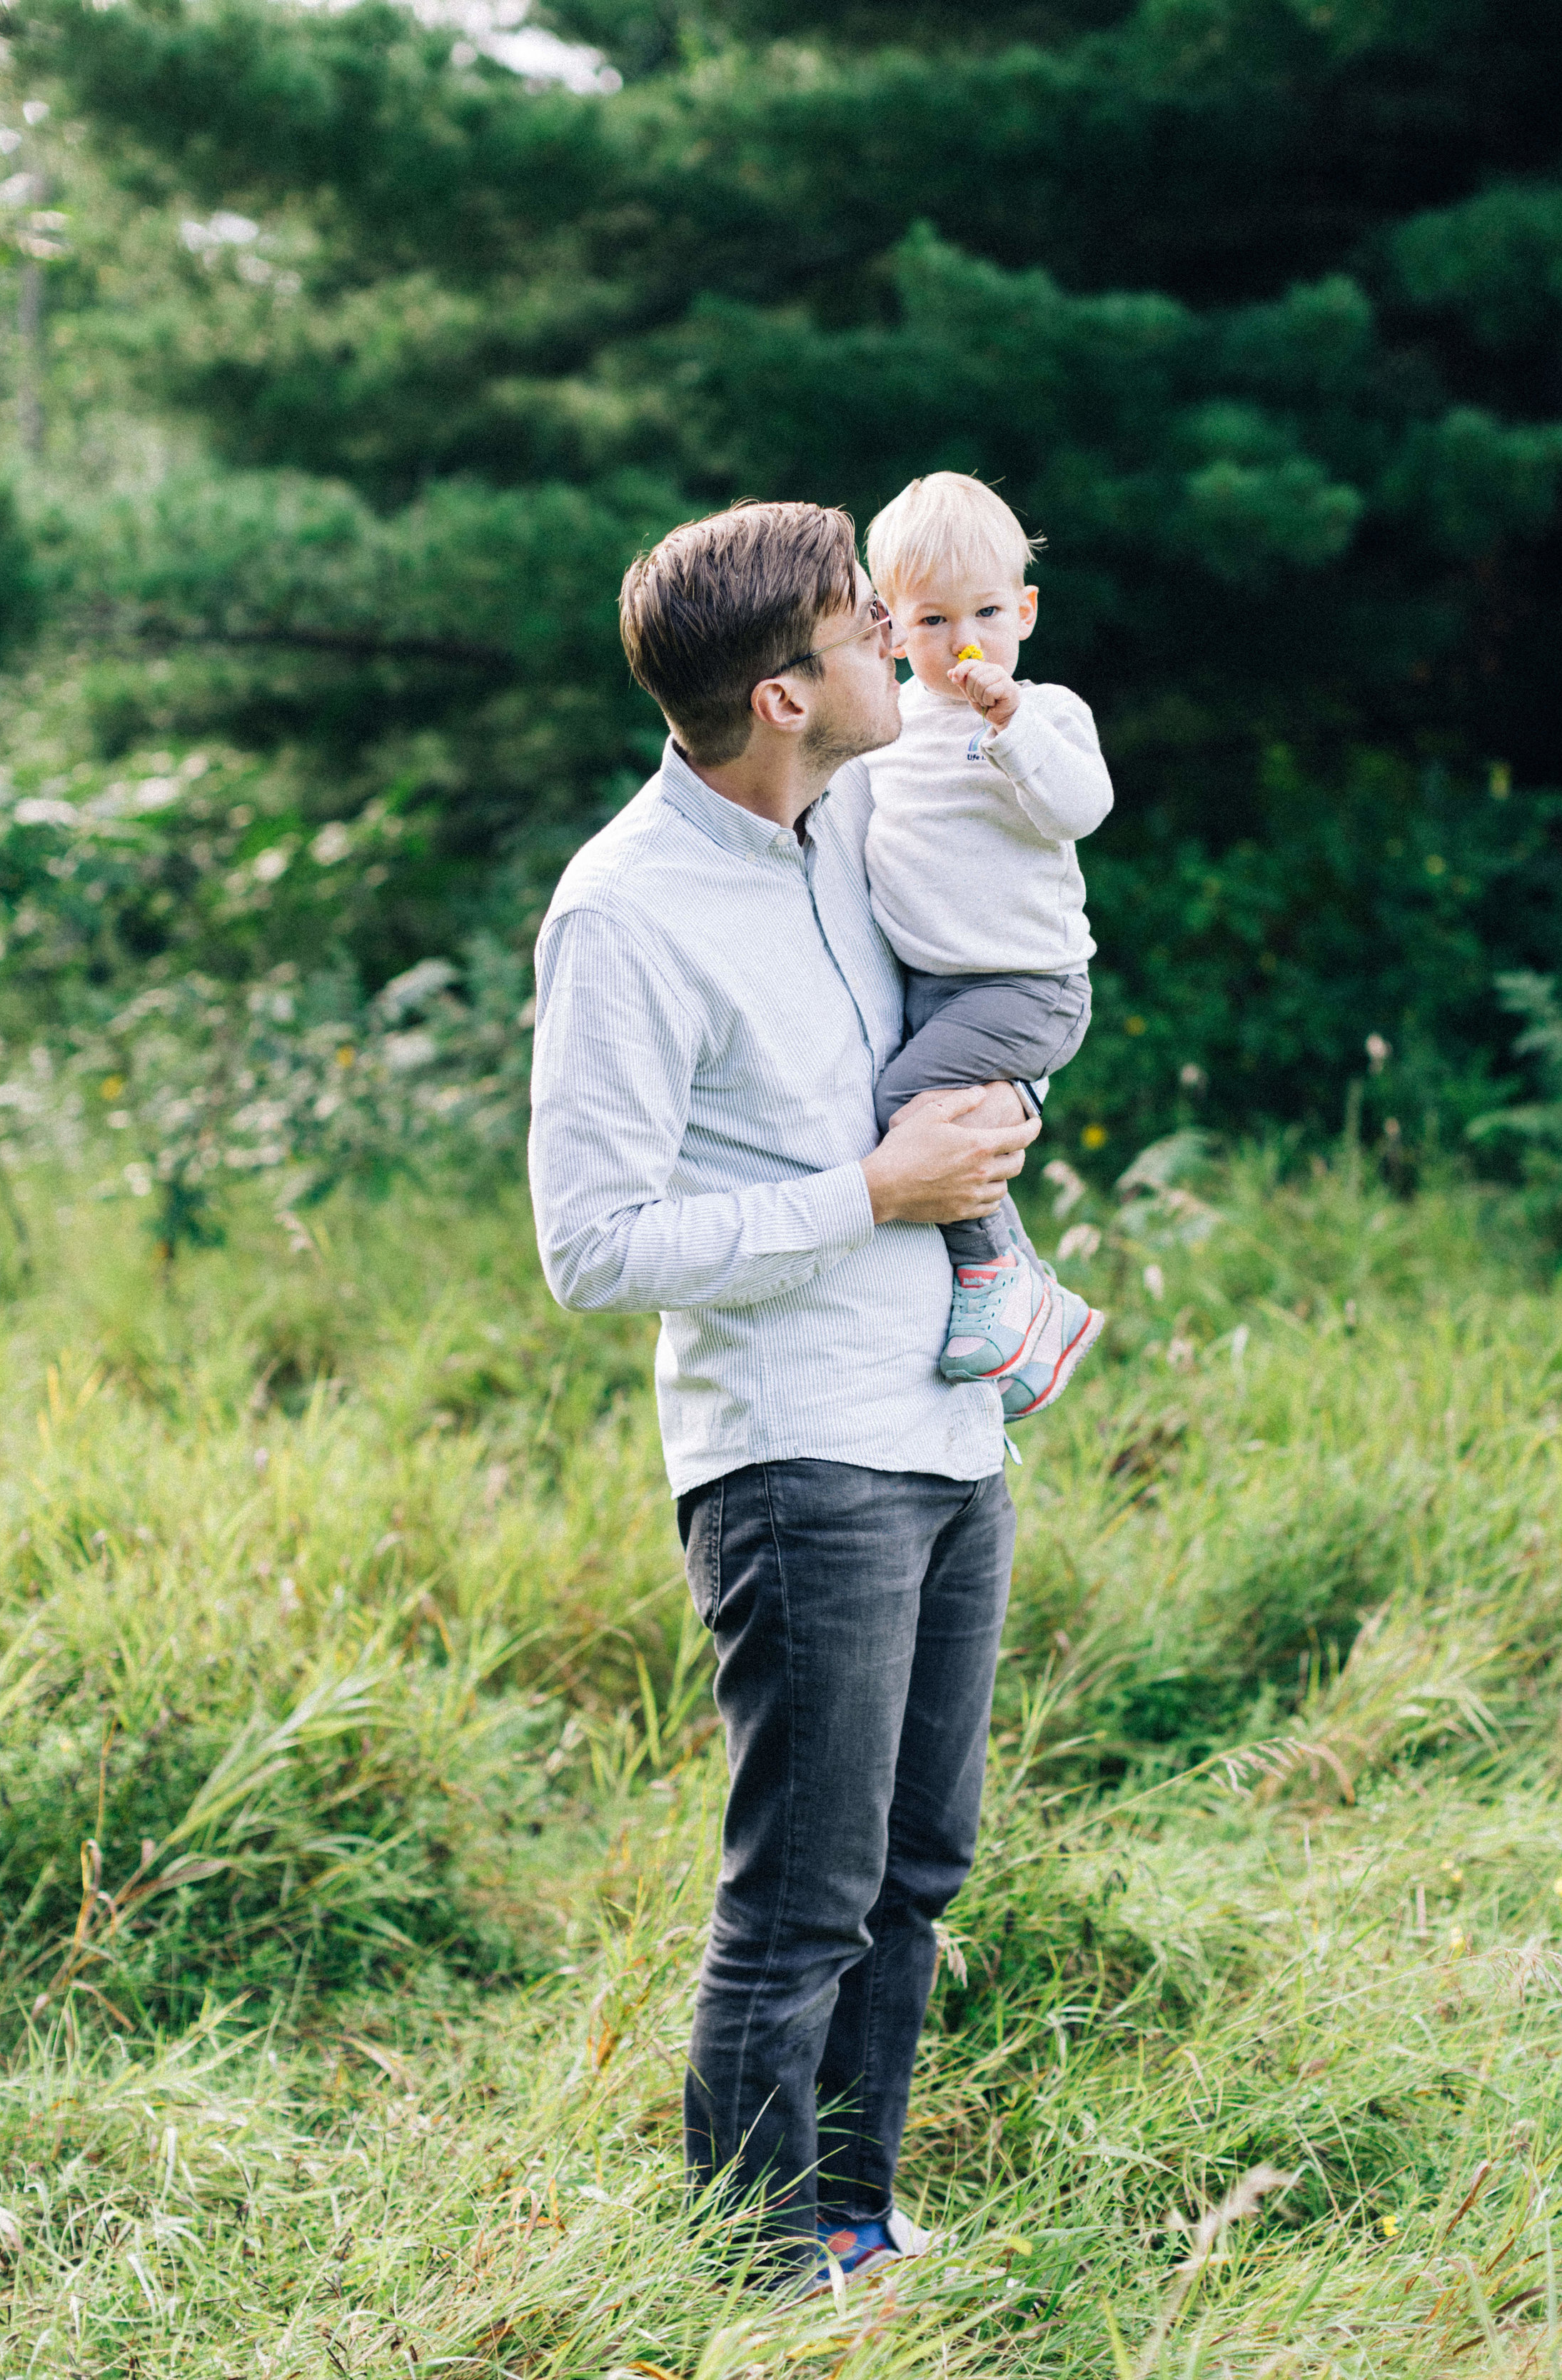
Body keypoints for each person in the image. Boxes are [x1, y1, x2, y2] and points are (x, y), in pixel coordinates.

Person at [528, 500, 1039, 2293]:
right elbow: (592, 1244)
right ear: (782, 696)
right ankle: (750, 2269)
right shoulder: (624, 912)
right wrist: (869, 1195)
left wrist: (986, 1122)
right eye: (856, 632)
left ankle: (851, 2217)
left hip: (943, 1417)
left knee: (916, 1864)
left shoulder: (852, 831)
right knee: (804, 1889)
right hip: (793, 1456)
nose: (890, 646)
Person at [865, 471, 1112, 1417]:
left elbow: (1080, 808)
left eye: (987, 611)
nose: (963, 639)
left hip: (1027, 983)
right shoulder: (887, 726)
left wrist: (1008, 722)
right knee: (926, 1111)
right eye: (931, 621)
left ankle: (1006, 1275)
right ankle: (1029, 1302)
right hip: (937, 987)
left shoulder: (1044, 713)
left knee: (905, 1104)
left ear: (1027, 611)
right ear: (889, 628)